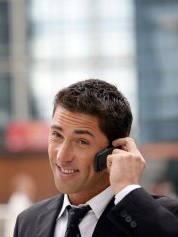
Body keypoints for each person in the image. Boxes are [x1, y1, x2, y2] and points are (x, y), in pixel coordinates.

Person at [14, 79, 178, 237]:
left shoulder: (164, 217)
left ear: (115, 150)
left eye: (82, 142)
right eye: (57, 135)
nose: (62, 156)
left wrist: (127, 191)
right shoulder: (28, 222)